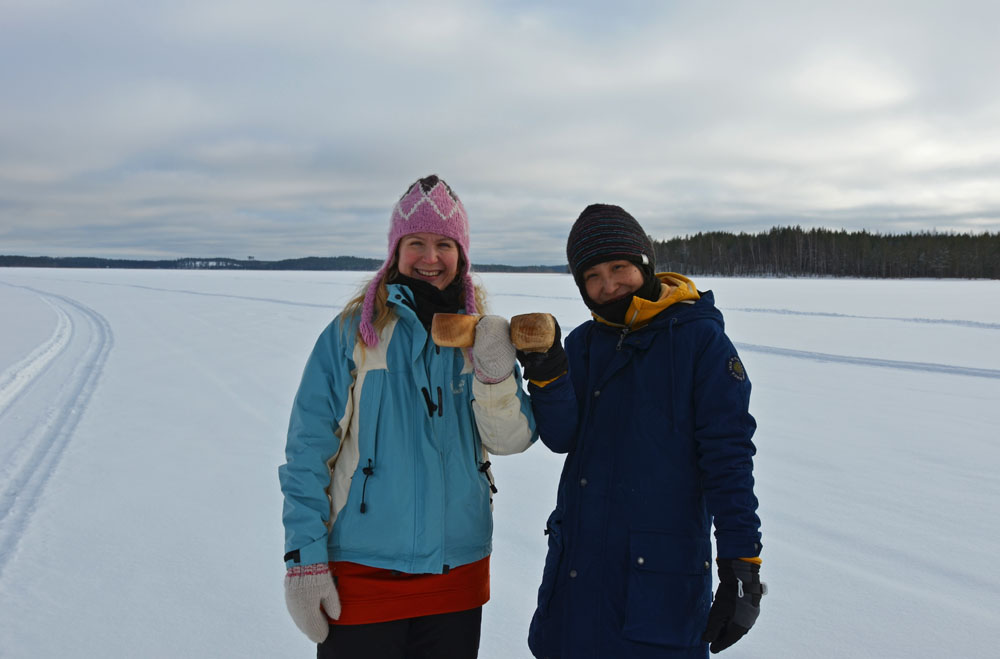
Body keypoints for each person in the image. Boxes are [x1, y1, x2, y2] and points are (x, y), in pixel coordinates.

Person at [278, 175, 537, 659]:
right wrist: (304, 561)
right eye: (415, 242)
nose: (430, 257)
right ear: (395, 252)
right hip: (361, 574)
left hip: (456, 573)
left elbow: (508, 440)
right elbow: (307, 455)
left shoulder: (480, 338)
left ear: (462, 255)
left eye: (444, 244)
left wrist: (496, 375)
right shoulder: (351, 335)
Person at [518, 204, 764, 658]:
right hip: (576, 577)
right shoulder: (585, 343)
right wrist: (548, 377)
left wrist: (741, 564)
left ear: (644, 264)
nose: (608, 285)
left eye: (619, 267)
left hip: (658, 585)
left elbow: (728, 456)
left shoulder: (699, 341)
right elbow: (562, 437)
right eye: (592, 275)